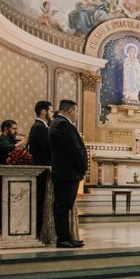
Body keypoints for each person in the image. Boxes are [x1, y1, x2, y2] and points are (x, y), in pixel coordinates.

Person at [48, 100, 88, 248]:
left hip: (65, 172)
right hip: (66, 173)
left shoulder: (58, 123)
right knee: (62, 207)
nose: (76, 115)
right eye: (76, 111)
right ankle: (63, 238)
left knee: (64, 207)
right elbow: (74, 151)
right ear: (70, 111)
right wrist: (83, 167)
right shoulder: (63, 125)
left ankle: (66, 237)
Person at [28, 101, 52, 237]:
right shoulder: (39, 127)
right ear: (43, 112)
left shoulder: (40, 126)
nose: (51, 113)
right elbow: (46, 149)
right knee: (41, 201)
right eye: (50, 110)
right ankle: (39, 231)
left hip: (42, 168)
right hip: (42, 169)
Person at [0, 120, 19, 234]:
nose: (16, 131)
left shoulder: (10, 140)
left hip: (9, 175)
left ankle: (7, 224)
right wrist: (23, 142)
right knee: (1, 200)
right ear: (6, 129)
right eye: (14, 128)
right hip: (1, 175)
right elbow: (10, 148)